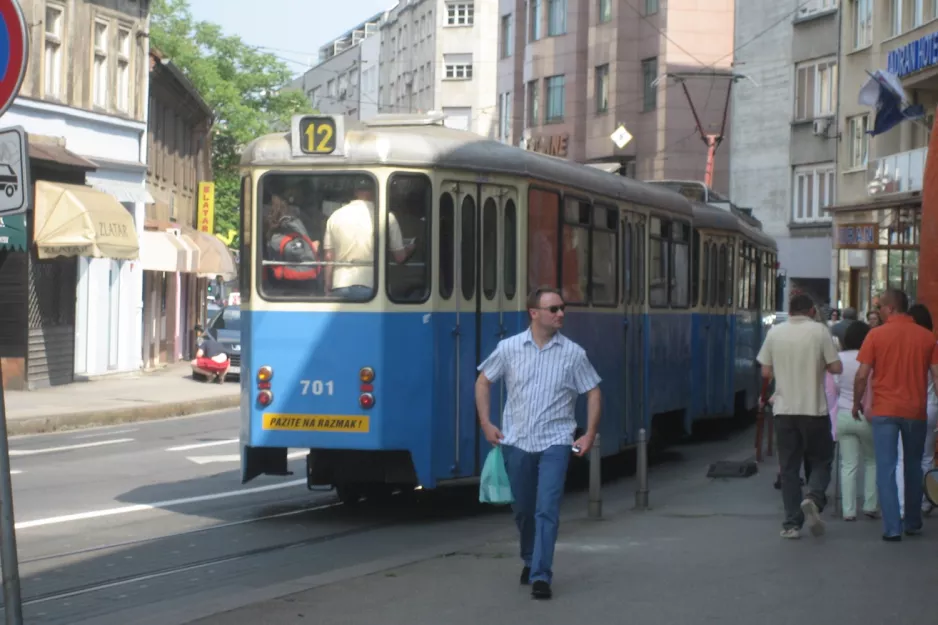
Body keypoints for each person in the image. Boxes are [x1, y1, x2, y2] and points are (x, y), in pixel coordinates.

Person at [474, 287, 602, 600]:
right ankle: (531, 559)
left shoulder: (573, 353)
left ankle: (541, 575)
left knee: (547, 508)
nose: (561, 314)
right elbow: (483, 381)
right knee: (523, 509)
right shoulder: (509, 348)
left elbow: (594, 391)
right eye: (554, 309)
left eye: (562, 308)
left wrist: (588, 433)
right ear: (534, 313)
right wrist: (486, 423)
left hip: (556, 442)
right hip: (516, 440)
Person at [854, 289, 938, 541]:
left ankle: (892, 527)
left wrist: (857, 402)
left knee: (886, 467)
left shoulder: (875, 336)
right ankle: (913, 521)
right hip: (915, 410)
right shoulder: (927, 338)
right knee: (913, 466)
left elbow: (862, 375)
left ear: (890, 308)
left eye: (879, 306)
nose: (877, 311)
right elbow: (936, 375)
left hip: (884, 411)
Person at [757, 293, 842, 539]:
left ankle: (791, 524)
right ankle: (813, 497)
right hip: (814, 409)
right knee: (821, 459)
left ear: (791, 311)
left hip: (784, 410)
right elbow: (836, 367)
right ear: (811, 311)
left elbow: (765, 371)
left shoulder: (775, 333)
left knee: (789, 468)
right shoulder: (819, 332)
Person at [322, 177, 415, 300]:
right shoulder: (387, 217)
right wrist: (411, 248)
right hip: (373, 284)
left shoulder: (335, 216)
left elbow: (329, 256)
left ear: (355, 192)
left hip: (340, 283)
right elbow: (400, 257)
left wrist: (328, 284)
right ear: (375, 192)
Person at [830, 321, 878, 520]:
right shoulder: (871, 359)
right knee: (872, 461)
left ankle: (848, 510)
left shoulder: (839, 358)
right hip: (866, 415)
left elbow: (835, 387)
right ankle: (870, 505)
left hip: (844, 413)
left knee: (848, 464)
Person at [893, 303, 938, 516]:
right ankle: (926, 501)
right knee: (927, 456)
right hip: (931, 406)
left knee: (903, 458)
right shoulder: (932, 343)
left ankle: (903, 505)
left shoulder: (903, 345)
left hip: (906, 405)